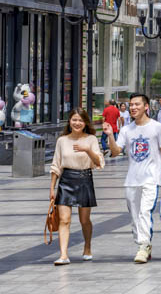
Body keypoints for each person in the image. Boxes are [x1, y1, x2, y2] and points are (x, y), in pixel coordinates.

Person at [103, 93, 161, 263]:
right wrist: (110, 135)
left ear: (146, 106)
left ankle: (143, 245)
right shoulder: (126, 130)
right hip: (132, 179)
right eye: (131, 105)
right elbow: (116, 152)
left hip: (151, 178)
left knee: (144, 212)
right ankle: (142, 243)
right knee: (134, 215)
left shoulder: (157, 127)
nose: (133, 107)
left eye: (137, 104)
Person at [50, 108, 104, 265]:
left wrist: (87, 150)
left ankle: (87, 247)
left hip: (84, 179)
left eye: (80, 120)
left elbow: (99, 162)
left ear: (85, 123)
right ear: (69, 121)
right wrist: (52, 188)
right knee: (64, 220)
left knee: (84, 220)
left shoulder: (91, 139)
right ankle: (63, 255)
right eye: (74, 120)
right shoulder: (62, 140)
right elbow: (56, 164)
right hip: (66, 180)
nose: (77, 123)